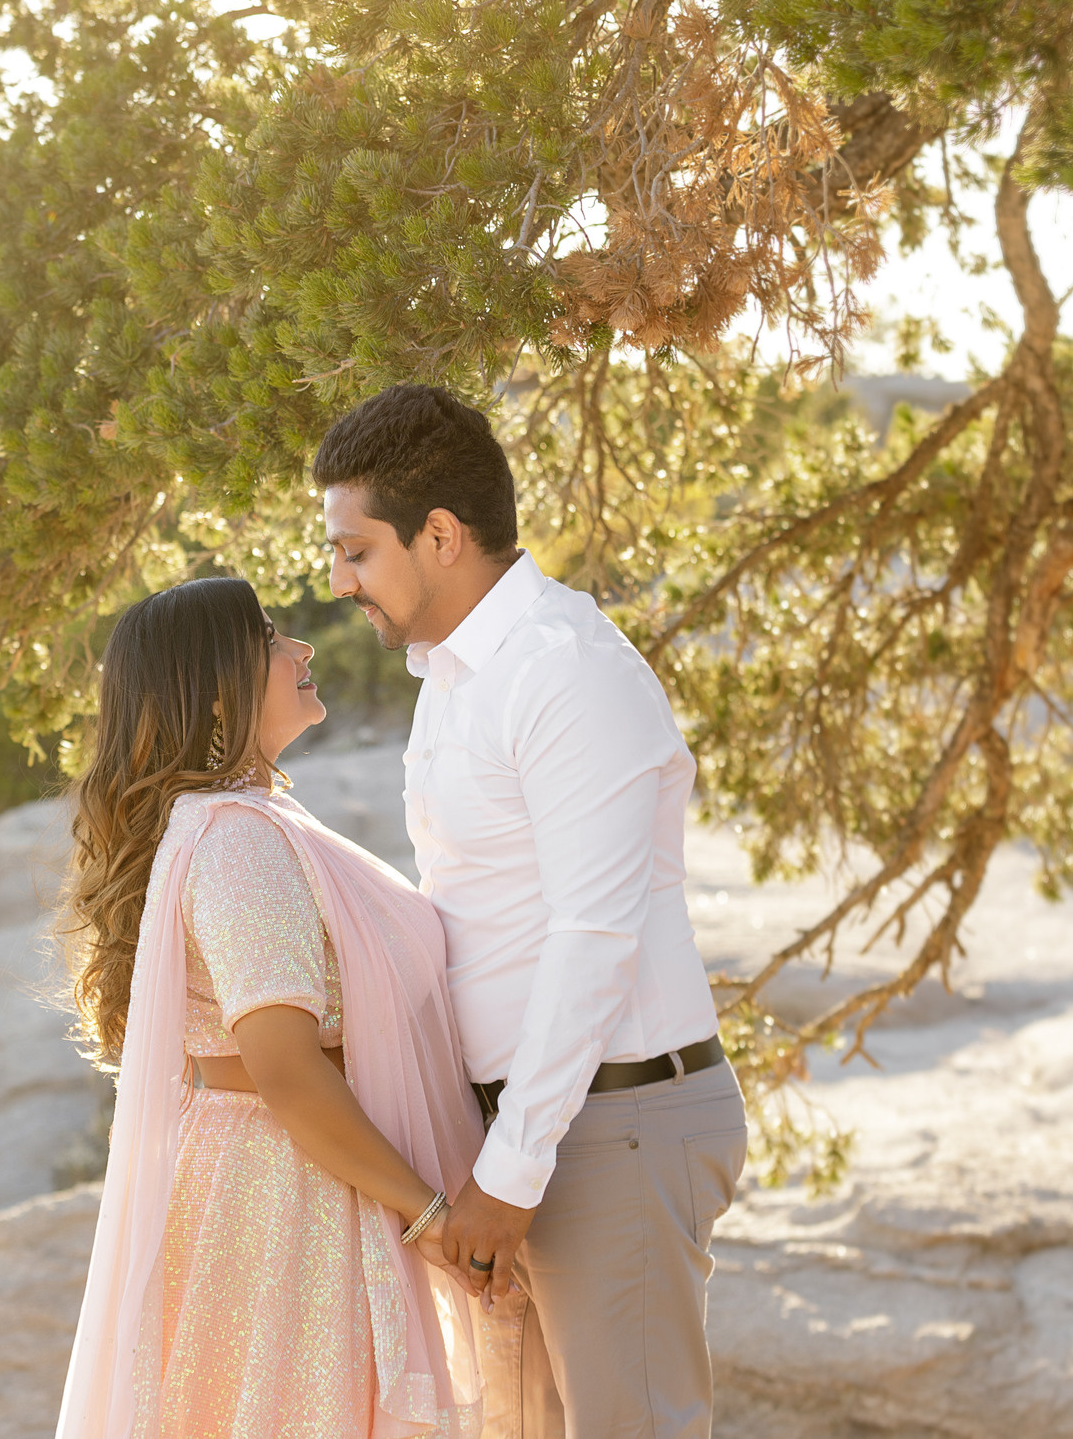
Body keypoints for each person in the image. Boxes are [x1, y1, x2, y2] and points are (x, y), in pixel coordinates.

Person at [311, 384, 749, 1439]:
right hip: (543, 1132)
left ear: (442, 535)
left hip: (616, 1124)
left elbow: (591, 941)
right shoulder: (457, 679)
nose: (338, 582)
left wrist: (507, 1177)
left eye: (356, 550)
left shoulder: (563, 671)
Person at [54, 576, 485, 1439]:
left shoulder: (240, 822)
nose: (303, 649)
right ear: (217, 688)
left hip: (277, 1178)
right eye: (272, 636)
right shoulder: (238, 840)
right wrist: (430, 1210)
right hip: (289, 1195)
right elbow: (287, 1073)